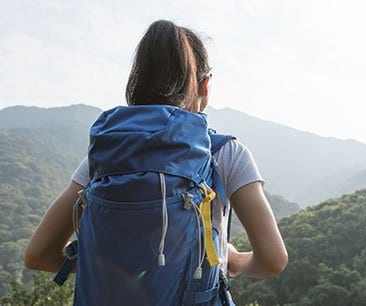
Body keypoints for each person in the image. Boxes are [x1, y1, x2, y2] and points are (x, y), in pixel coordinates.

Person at [24, 19, 288, 296]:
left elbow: (39, 255)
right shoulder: (226, 153)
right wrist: (233, 259)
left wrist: (110, 264)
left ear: (136, 84)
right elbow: (272, 260)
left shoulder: (105, 158)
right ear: (205, 86)